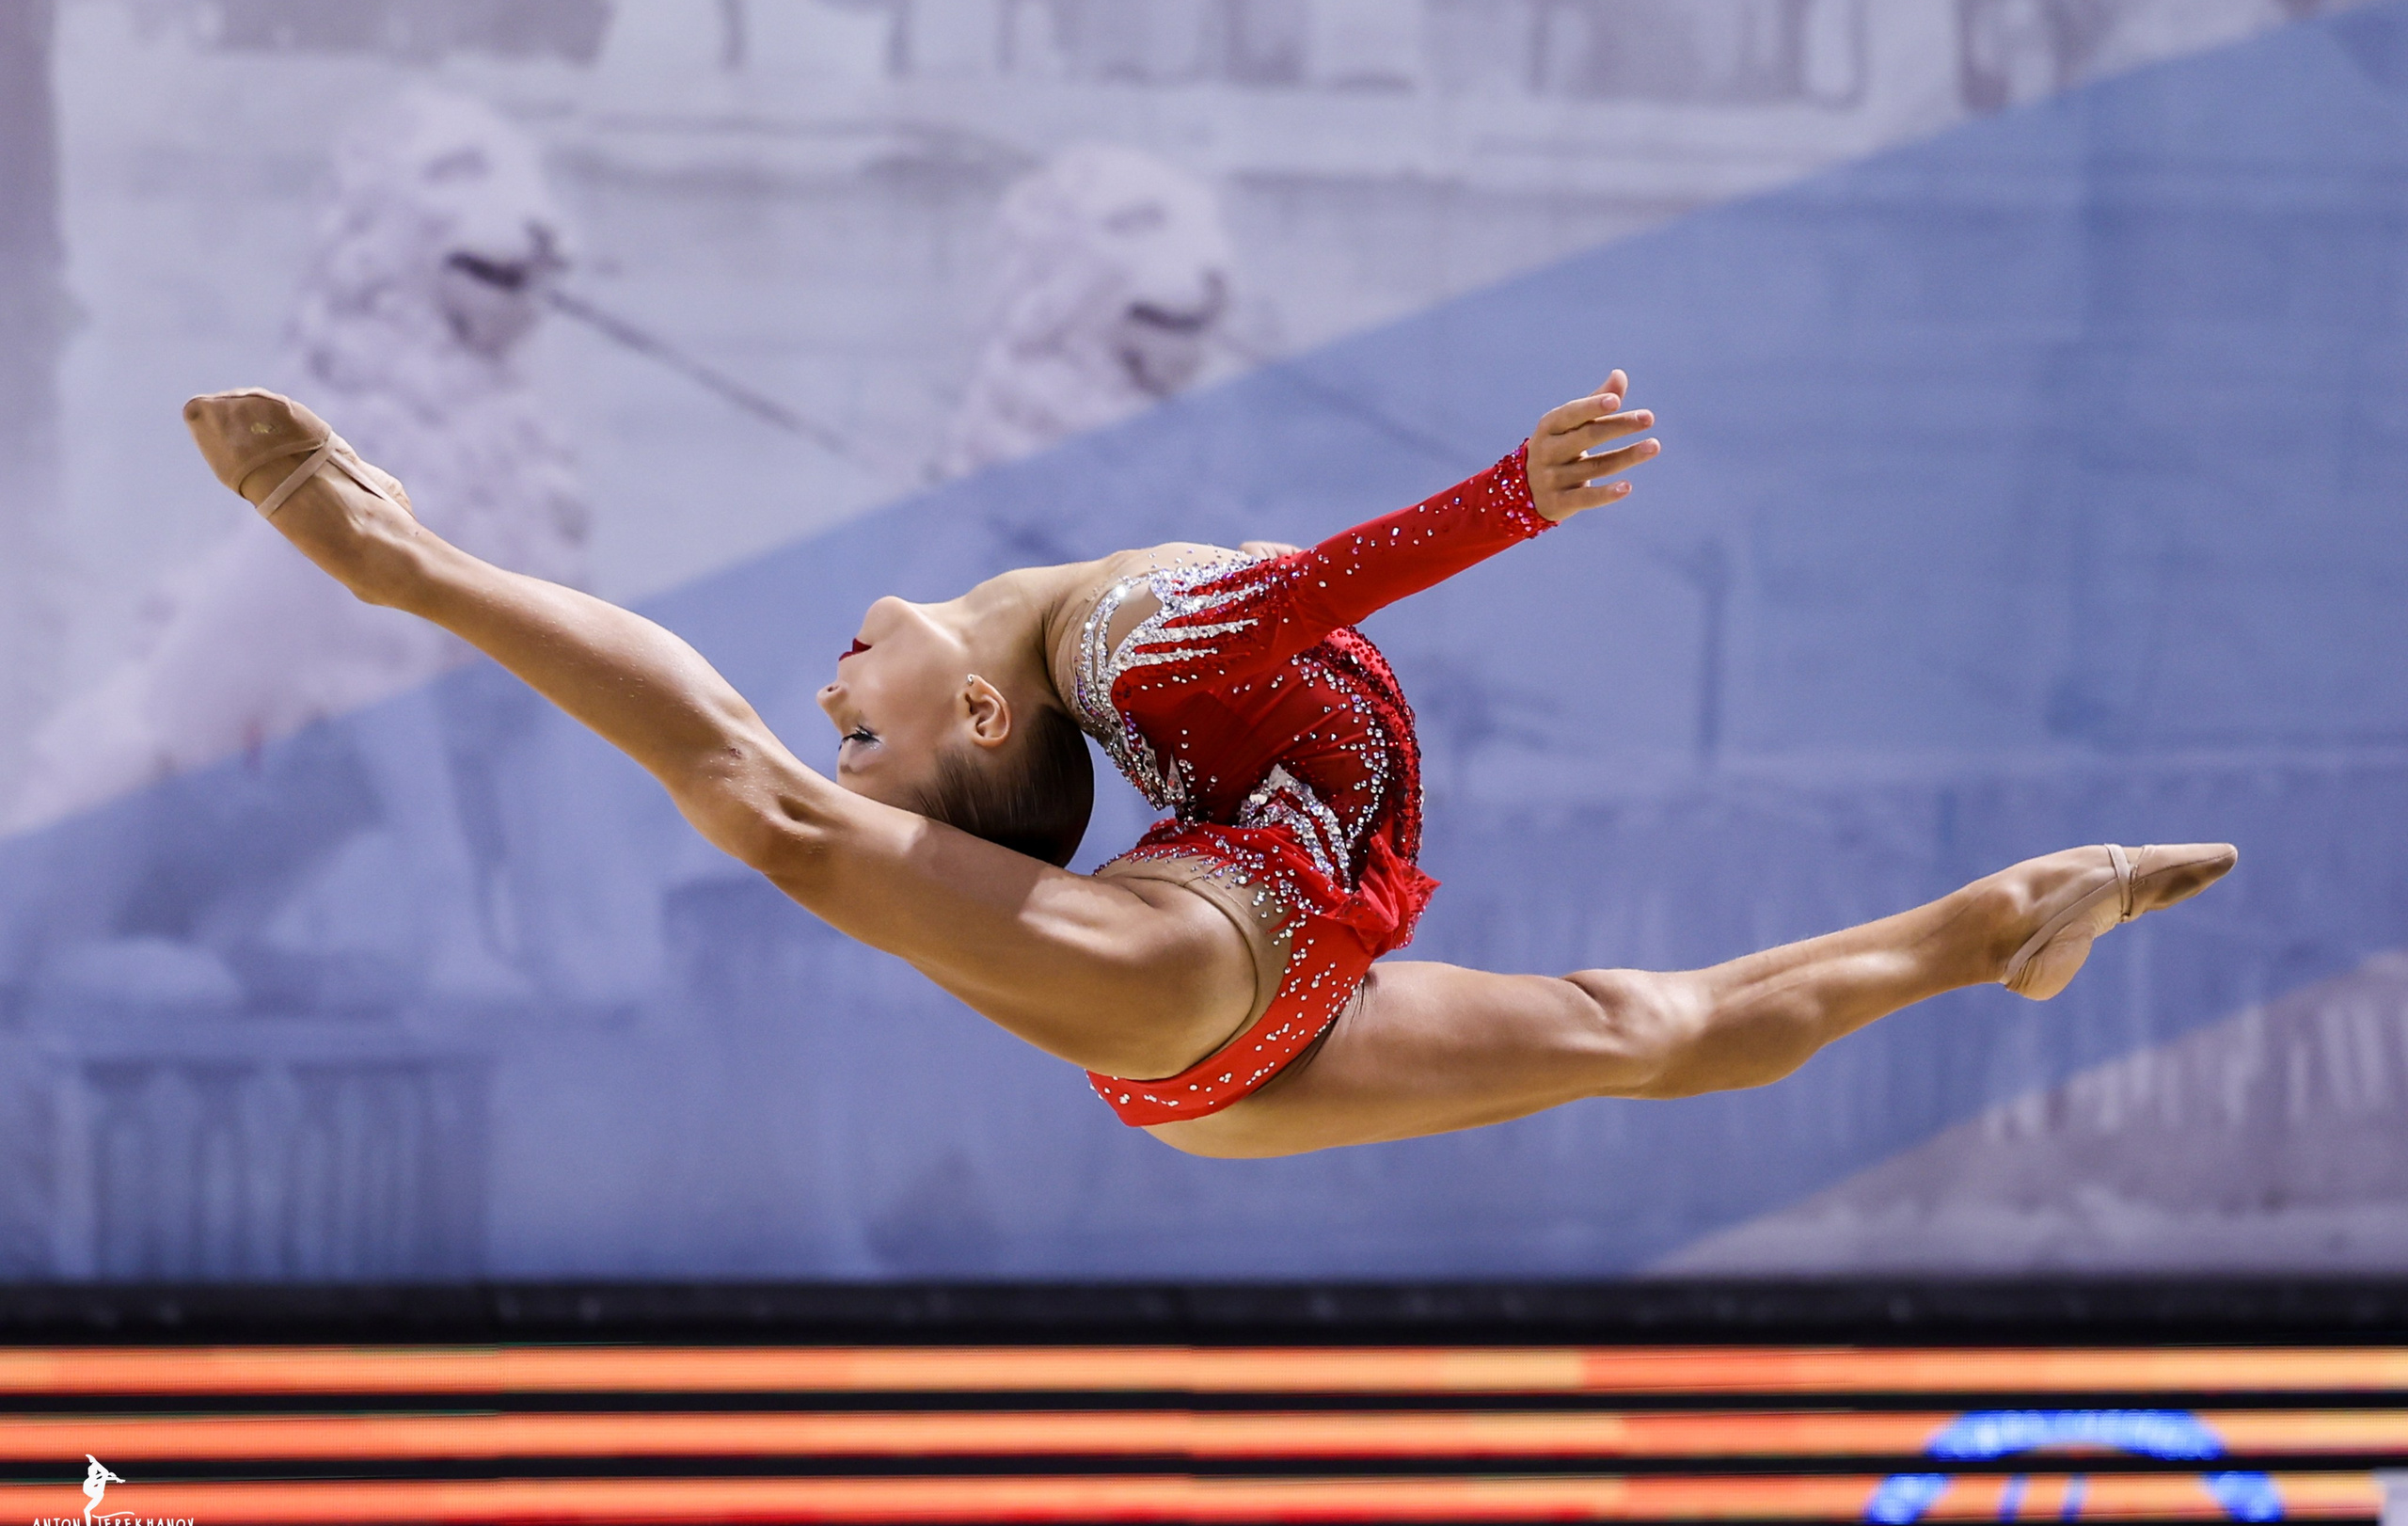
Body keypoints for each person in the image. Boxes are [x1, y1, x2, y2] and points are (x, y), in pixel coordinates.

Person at [177, 375, 2235, 1160]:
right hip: (1215, 961)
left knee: (1645, 1026)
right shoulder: (1117, 645)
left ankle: (2002, 917)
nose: (834, 690)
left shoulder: (1093, 666)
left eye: (847, 715)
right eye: (870, 731)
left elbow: (1282, 623)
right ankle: (399, 563)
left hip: (1224, 1042)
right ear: (985, 727)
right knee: (765, 822)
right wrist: (1504, 499)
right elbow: (1316, 587)